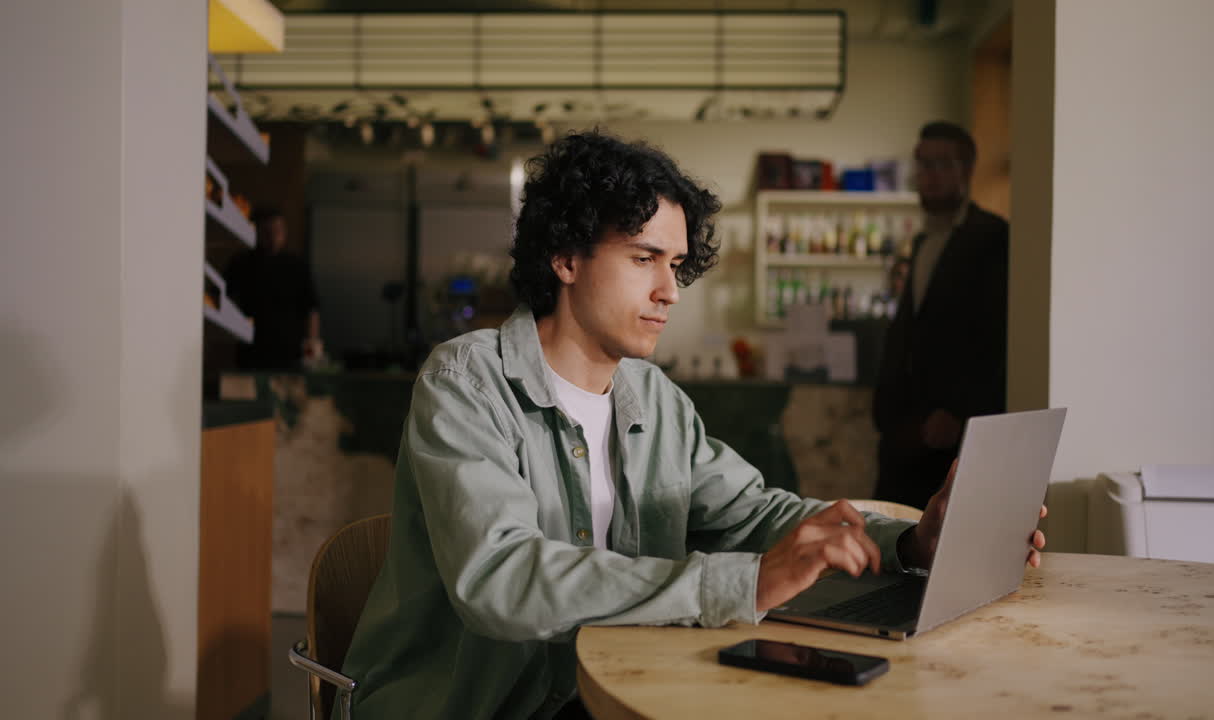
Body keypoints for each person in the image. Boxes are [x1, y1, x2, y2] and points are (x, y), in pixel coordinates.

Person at [340, 131, 1042, 720]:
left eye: (676, 265)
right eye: (644, 258)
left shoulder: (653, 397)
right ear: (566, 257)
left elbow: (755, 513)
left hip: (608, 695)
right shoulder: (467, 380)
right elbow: (500, 578)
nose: (669, 291)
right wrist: (738, 584)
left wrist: (914, 541)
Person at [872, 122, 1010, 511]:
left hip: (949, 436)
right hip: (904, 432)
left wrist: (959, 410)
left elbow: (996, 336)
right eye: (921, 164)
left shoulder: (992, 237)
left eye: (940, 164)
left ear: (965, 170)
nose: (927, 176)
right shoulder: (923, 240)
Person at [223, 206, 322, 370]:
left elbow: (311, 308)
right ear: (256, 232)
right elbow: (221, 299)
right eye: (267, 231)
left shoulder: (296, 265)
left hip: (290, 350)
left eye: (279, 230)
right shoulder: (241, 263)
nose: (274, 237)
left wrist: (312, 348)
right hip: (252, 349)